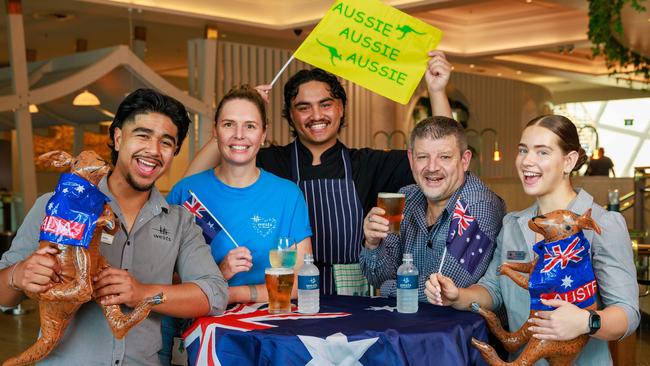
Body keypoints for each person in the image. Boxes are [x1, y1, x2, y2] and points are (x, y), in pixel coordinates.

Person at [185, 51, 453, 294]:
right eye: (303, 107)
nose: (316, 115)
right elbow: (191, 184)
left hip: (353, 296)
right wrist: (241, 114)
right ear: (289, 115)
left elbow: (443, 152)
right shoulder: (269, 162)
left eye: (326, 104)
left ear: (341, 109)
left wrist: (437, 91)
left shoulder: (368, 164)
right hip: (286, 296)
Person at [0, 89, 228, 365]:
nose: (153, 151)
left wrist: (141, 292)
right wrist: (19, 275)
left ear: (174, 152)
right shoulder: (55, 206)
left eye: (166, 143)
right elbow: (4, 297)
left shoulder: (180, 221)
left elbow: (213, 295)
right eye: (142, 135)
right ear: (118, 138)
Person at [425, 115, 639, 365]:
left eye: (542, 152)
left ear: (568, 161)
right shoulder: (513, 224)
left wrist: (585, 322)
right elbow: (493, 289)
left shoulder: (603, 224)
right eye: (523, 150)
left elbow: (627, 314)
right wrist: (458, 296)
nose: (527, 161)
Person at [167, 85, 312, 303]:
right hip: (198, 326)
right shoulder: (186, 192)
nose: (239, 135)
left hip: (267, 326)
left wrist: (231, 293)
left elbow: (298, 282)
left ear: (263, 134)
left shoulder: (288, 196)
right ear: (215, 131)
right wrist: (220, 271)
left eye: (250, 126)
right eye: (228, 124)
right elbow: (163, 278)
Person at [360, 116, 506, 301]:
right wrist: (373, 244)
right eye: (422, 157)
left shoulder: (479, 205)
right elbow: (378, 278)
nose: (432, 167)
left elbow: (444, 290)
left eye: (444, 157)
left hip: (462, 328)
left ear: (464, 160)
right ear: (411, 159)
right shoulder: (405, 197)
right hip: (408, 323)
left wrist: (388, 288)